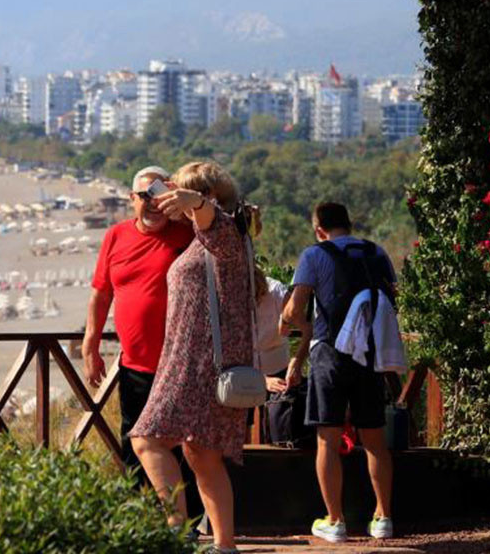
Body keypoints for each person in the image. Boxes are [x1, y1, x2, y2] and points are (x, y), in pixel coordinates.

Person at [128, 161, 257, 554]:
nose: (173, 203)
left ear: (209, 197)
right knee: (201, 454)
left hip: (200, 363)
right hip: (202, 361)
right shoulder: (208, 239)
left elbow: (208, 217)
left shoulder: (222, 232)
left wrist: (195, 201)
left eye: (179, 194)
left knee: (147, 440)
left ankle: (178, 534)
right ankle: (224, 546)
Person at [83, 165, 202, 521]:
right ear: (132, 199)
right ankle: (145, 522)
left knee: (184, 448)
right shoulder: (115, 236)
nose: (152, 204)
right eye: (144, 197)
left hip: (180, 365)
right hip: (134, 365)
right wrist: (90, 343)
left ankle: (187, 525)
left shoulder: (189, 235)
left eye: (159, 195)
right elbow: (101, 293)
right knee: (134, 448)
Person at [279, 202, 397, 542]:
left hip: (330, 353)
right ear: (349, 223)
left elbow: (295, 308)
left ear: (319, 229)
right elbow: (392, 299)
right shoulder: (377, 253)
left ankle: (335, 520)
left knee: (327, 439)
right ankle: (384, 517)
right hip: (370, 353)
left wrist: (288, 320)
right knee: (374, 439)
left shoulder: (314, 255)